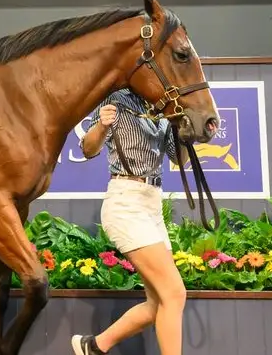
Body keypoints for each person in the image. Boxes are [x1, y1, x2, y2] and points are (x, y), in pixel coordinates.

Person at [70, 88, 186, 355]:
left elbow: (179, 158)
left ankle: (94, 346)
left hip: (152, 203)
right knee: (174, 293)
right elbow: (88, 149)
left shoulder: (163, 106)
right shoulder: (116, 99)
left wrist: (188, 131)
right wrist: (101, 125)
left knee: (158, 302)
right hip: (126, 201)